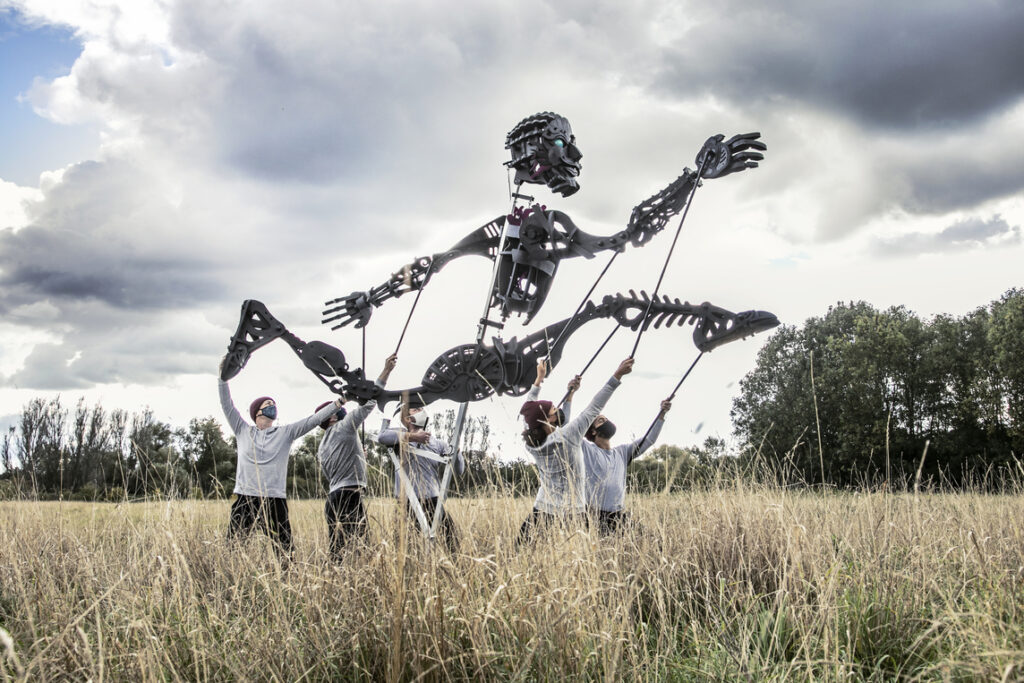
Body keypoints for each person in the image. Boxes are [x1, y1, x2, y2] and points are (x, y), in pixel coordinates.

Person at [218, 355, 343, 556]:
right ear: (257, 412)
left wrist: (338, 403)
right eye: (267, 404)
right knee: (233, 547)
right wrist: (222, 377)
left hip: (274, 500)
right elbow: (227, 404)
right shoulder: (242, 430)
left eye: (273, 404)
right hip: (246, 498)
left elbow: (312, 421)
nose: (272, 406)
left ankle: (287, 578)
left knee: (284, 550)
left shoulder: (285, 433)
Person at [517, 357, 634, 543]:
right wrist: (617, 375)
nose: (557, 409)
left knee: (522, 547)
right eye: (554, 409)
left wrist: (540, 380)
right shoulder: (569, 436)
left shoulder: (532, 437)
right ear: (550, 420)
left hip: (544, 507)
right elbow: (595, 407)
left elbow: (529, 405)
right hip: (573, 512)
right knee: (577, 558)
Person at [316, 353, 397, 560]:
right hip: (349, 497)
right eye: (339, 410)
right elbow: (370, 402)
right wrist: (386, 370)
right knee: (362, 549)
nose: (342, 411)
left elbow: (332, 472)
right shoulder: (344, 427)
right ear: (332, 417)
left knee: (338, 553)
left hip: (333, 498)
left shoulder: (323, 443)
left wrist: (358, 457)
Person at [377, 406, 465, 553]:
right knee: (403, 547)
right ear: (407, 418)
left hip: (431, 501)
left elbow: (459, 471)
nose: (421, 410)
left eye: (421, 408)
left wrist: (457, 453)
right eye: (415, 409)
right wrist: (412, 437)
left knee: (451, 540)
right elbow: (382, 437)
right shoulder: (399, 436)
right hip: (405, 502)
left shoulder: (437, 443)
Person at [583, 398, 672, 534]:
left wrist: (661, 414)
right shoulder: (587, 450)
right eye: (601, 421)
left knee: (652, 541)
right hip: (593, 516)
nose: (606, 422)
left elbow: (649, 439)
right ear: (593, 431)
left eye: (606, 419)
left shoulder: (622, 452)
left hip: (617, 516)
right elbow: (570, 433)